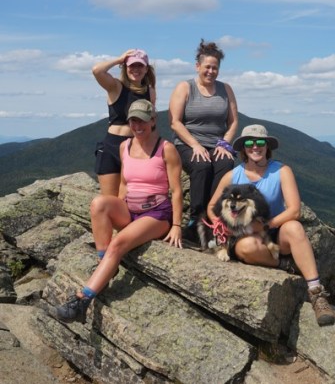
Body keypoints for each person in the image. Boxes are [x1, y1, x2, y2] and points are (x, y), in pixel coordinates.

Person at [54, 99, 183, 323]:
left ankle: (82, 300)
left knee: (118, 244)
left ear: (153, 120)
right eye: (133, 120)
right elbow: (124, 182)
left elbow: (177, 191)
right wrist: (120, 204)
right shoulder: (125, 146)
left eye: (143, 120)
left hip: (156, 214)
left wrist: (177, 226)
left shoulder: (166, 149)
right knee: (99, 204)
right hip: (131, 209)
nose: (137, 125)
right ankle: (106, 264)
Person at [207, 124, 335, 326]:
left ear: (267, 146)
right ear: (243, 148)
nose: (255, 147)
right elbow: (212, 206)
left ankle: (316, 293)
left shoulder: (282, 171)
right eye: (250, 142)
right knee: (245, 247)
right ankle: (286, 264)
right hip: (246, 238)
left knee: (294, 227)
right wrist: (220, 224)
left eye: (260, 142)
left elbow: (294, 210)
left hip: (274, 233)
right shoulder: (233, 176)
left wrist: (265, 226)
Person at [169, 39, 238, 238]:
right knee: (202, 165)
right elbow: (175, 122)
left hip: (216, 144)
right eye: (207, 67)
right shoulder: (185, 87)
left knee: (225, 163)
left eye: (215, 68)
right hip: (187, 142)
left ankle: (214, 216)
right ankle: (195, 219)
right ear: (197, 66)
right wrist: (195, 145)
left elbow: (233, 122)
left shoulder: (226, 89)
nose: (211, 71)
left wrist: (225, 143)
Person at [92, 49, 156, 196]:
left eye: (140, 66)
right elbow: (97, 71)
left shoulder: (150, 92)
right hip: (111, 147)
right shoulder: (115, 86)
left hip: (136, 147)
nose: (136, 69)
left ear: (146, 69)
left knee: (131, 198)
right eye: (132, 66)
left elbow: (152, 123)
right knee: (110, 199)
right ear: (125, 67)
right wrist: (119, 59)